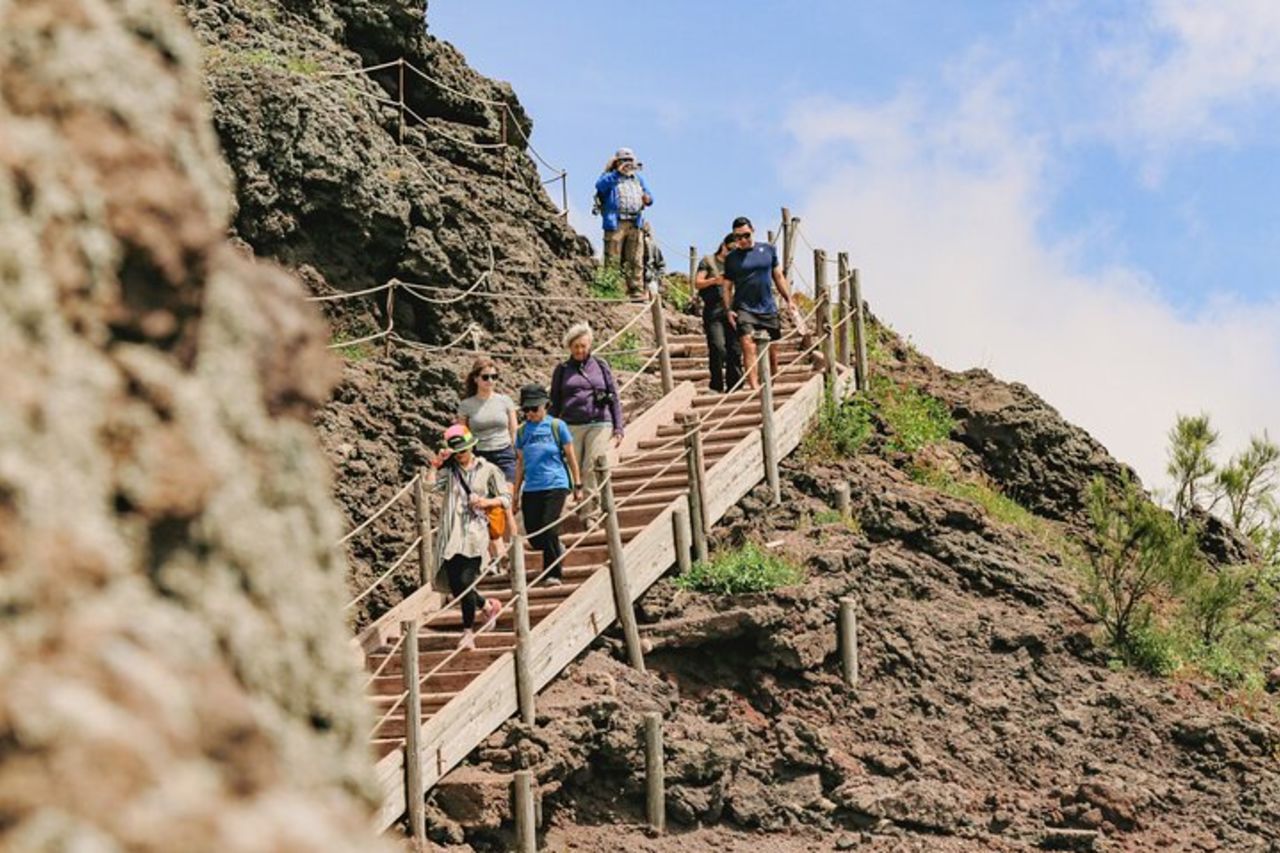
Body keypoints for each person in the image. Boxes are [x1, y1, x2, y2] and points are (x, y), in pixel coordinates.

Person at [426, 425, 507, 650]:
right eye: (457, 451)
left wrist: (486, 502)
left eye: (464, 450)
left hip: (475, 533)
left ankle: (468, 633)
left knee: (465, 580)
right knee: (455, 585)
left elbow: (505, 497)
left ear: (472, 447)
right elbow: (428, 487)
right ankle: (487, 606)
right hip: (451, 534)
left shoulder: (488, 469)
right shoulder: (449, 472)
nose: (461, 455)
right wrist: (435, 465)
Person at [549, 322, 625, 520]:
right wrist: (547, 428)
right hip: (571, 424)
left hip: (599, 421)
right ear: (569, 347)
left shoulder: (600, 366)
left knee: (590, 467)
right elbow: (555, 402)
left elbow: (614, 396)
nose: (580, 350)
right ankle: (581, 503)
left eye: (583, 346)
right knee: (574, 469)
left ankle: (589, 514)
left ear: (589, 345)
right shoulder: (562, 369)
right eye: (576, 347)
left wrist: (619, 427)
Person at [512, 384, 582, 586]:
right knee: (534, 533)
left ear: (546, 406)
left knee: (549, 526)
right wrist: (515, 495)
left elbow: (570, 456)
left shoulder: (557, 426)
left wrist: (577, 485)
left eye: (535, 409)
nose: (531, 413)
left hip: (555, 483)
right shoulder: (522, 431)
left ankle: (553, 573)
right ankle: (556, 546)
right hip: (532, 487)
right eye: (526, 410)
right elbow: (520, 464)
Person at [723, 216, 798, 389]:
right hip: (744, 308)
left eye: (746, 235)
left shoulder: (768, 250)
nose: (742, 240)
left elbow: (778, 276)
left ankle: (771, 383)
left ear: (753, 230)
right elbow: (727, 287)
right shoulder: (731, 258)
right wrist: (728, 309)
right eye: (737, 237)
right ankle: (755, 388)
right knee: (748, 345)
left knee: (772, 353)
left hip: (768, 307)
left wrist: (789, 299)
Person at [456, 357, 517, 559]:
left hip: (504, 454)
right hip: (481, 457)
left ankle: (514, 548)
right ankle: (498, 553)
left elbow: (513, 429)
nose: (490, 381)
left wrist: (517, 450)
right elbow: (462, 434)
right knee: (488, 507)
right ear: (475, 379)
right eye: (485, 377)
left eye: (494, 377)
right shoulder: (467, 405)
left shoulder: (504, 401)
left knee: (506, 503)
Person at [594, 147, 653, 297]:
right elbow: (600, 186)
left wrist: (648, 199)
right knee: (613, 256)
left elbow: (649, 195)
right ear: (617, 162)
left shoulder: (638, 179)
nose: (628, 164)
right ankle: (611, 288)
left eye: (630, 161)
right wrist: (618, 172)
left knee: (635, 258)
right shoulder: (609, 177)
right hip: (616, 222)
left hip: (635, 222)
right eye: (625, 161)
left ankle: (636, 290)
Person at [695, 233, 744, 393]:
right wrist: (715, 280)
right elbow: (698, 283)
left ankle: (735, 385)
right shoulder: (708, 261)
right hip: (713, 308)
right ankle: (716, 384)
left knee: (734, 349)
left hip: (734, 308)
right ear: (724, 245)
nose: (732, 253)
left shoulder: (737, 264)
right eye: (730, 249)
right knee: (717, 347)